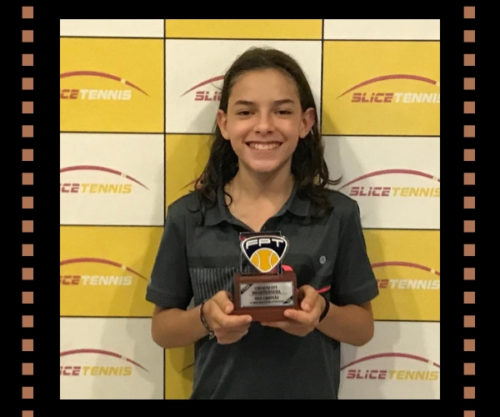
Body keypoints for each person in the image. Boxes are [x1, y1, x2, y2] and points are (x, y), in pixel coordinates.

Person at [146, 47, 378, 399]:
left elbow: (362, 328)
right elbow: (162, 330)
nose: (265, 126)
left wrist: (322, 313)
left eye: (282, 111)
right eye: (246, 112)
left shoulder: (338, 214)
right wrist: (206, 318)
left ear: (305, 122)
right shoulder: (188, 216)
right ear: (224, 123)